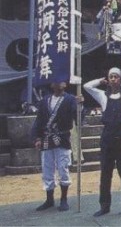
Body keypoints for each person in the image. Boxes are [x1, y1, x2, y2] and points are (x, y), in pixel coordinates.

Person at [83, 68, 121, 218]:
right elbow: (87, 87)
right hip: (107, 138)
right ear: (108, 80)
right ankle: (104, 206)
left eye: (116, 77)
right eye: (111, 77)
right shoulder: (103, 96)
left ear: (120, 80)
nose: (113, 79)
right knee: (105, 174)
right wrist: (99, 81)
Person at [31, 81, 78, 212]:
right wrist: (37, 138)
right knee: (47, 168)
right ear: (51, 85)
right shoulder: (45, 100)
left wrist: (80, 105)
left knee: (63, 167)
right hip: (47, 138)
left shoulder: (70, 99)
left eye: (61, 81)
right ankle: (49, 199)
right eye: (55, 82)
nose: (58, 84)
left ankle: (64, 199)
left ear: (65, 84)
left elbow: (78, 117)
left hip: (62, 138)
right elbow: (39, 120)